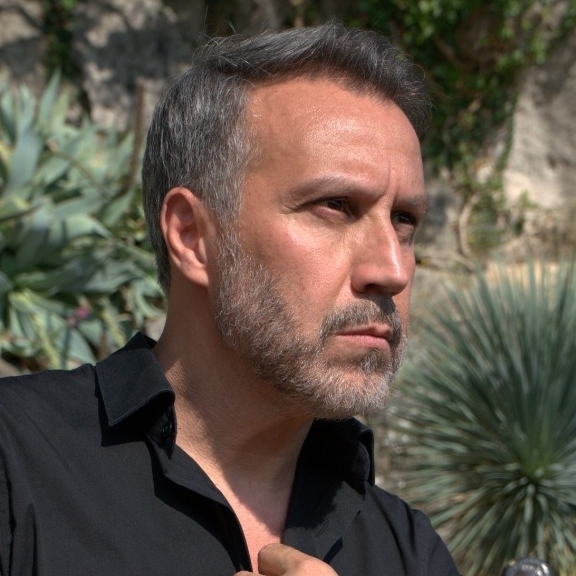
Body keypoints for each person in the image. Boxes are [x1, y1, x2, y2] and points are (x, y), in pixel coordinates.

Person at [0, 23, 460, 576]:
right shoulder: (17, 463)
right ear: (192, 235)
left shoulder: (408, 552)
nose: (392, 270)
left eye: (404, 220)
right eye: (335, 206)